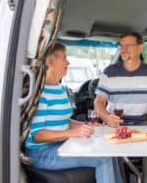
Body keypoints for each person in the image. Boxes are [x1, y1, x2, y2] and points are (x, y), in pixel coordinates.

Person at [25, 43, 123, 183]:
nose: (68, 62)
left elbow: (64, 121)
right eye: (64, 57)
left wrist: (86, 125)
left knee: (108, 151)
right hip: (42, 153)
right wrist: (71, 133)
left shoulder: (60, 89)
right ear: (50, 61)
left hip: (60, 145)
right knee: (102, 159)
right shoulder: (41, 93)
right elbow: (37, 135)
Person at [94, 32, 147, 183]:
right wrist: (106, 117)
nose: (123, 49)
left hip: (144, 124)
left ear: (140, 48)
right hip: (116, 125)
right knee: (109, 153)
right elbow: (98, 102)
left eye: (128, 46)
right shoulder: (109, 72)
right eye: (121, 46)